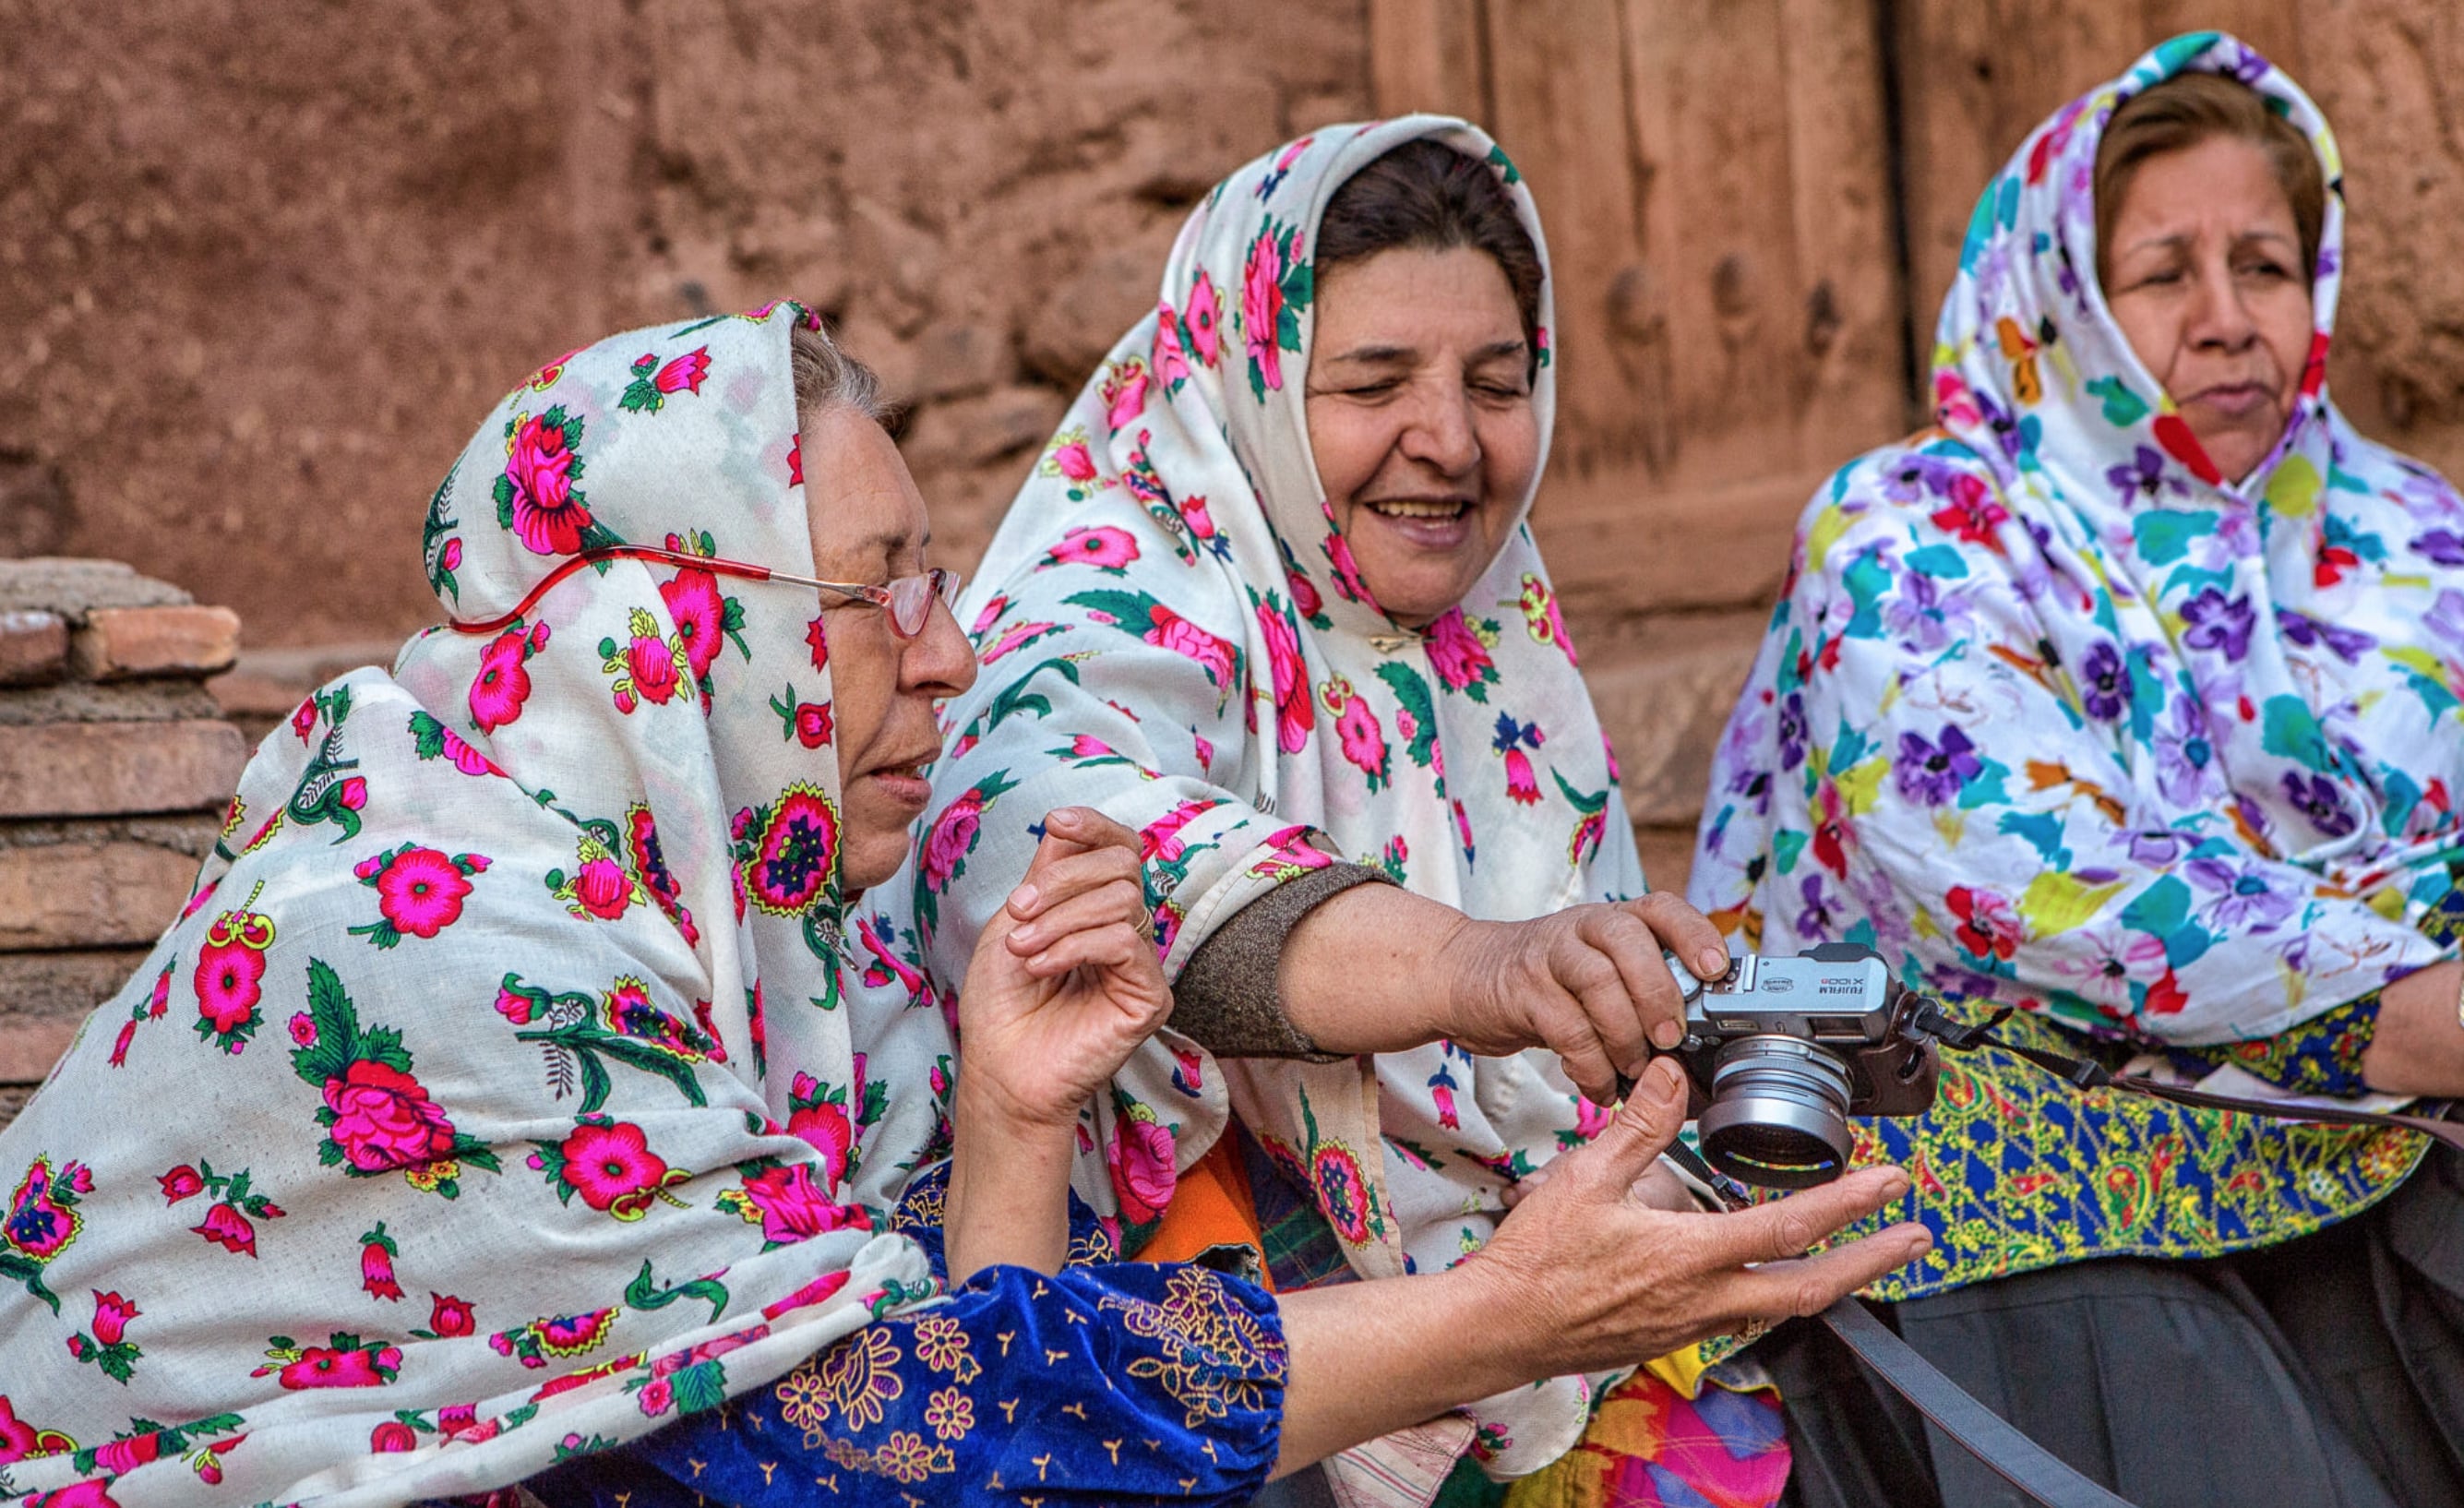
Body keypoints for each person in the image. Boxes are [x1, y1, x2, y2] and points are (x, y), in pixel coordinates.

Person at [0, 305, 1923, 1507]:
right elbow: (873, 1430)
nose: (946, 660)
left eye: (941, 580)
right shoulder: (441, 948)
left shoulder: (753, 928)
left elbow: (958, 1452)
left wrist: (1007, 1117)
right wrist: (1500, 1318)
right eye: (881, 596)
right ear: (681, 640)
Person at [920, 117, 1803, 1500]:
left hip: (1474, 1274)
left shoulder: (1489, 630)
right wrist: (1481, 967)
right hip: (1173, 1322)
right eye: (1373, 380)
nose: (1445, 441)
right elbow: (1069, 849)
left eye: (1495, 382)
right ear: (1252, 378)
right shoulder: (1105, 586)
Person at [1689, 31, 2464, 1508]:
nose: (2228, 321)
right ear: (2055, 301)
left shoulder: (2405, 533)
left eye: (2266, 264)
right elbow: (2031, 887)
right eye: (2161, 272)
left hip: (2360, 1133)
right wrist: (2404, 1003)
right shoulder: (1913, 530)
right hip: (2014, 1153)